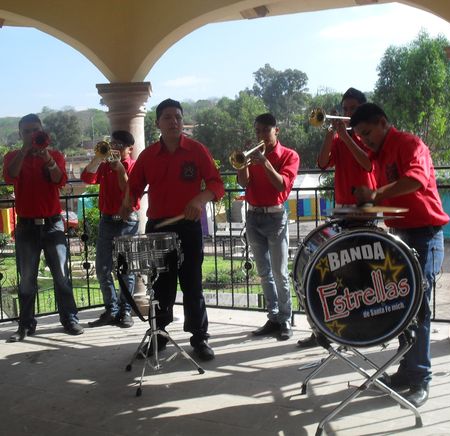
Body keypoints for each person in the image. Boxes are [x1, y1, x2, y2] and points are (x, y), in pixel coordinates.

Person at [350, 102, 449, 408]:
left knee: (417, 308)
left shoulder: (410, 144)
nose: (365, 140)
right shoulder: (377, 155)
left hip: (426, 235)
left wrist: (376, 195)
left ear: (382, 122)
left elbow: (416, 181)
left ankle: (420, 378)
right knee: (401, 308)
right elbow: (394, 198)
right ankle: (407, 372)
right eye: (361, 137)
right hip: (402, 236)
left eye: (367, 133)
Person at [121, 98, 224, 361]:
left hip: (188, 228)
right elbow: (133, 188)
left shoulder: (196, 150)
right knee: (161, 287)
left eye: (177, 116)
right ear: (157, 123)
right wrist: (126, 205)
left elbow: (216, 184)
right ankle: (159, 336)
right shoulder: (147, 156)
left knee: (192, 285)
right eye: (167, 117)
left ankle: (199, 338)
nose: (174, 121)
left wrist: (200, 199)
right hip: (158, 229)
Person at [298, 87, 376, 348]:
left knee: (362, 272)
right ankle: (329, 327)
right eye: (344, 110)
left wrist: (347, 136)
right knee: (338, 271)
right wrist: (332, 133)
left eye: (352, 109)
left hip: (364, 210)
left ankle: (361, 327)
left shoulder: (369, 136)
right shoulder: (340, 137)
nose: (347, 114)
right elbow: (322, 162)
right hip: (342, 208)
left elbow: (367, 164)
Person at [4, 113, 83, 342]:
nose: (31, 135)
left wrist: (46, 157)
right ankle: (26, 325)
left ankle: (69, 319)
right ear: (20, 134)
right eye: (26, 131)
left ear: (42, 132)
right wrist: (24, 151)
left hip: (52, 225)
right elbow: (11, 175)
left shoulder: (55, 155)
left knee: (61, 276)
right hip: (27, 226)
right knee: (27, 278)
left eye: (35, 130)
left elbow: (59, 179)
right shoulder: (12, 157)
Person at [237, 113, 300, 341]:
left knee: (280, 273)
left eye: (266, 130)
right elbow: (243, 183)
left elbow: (280, 185)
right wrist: (244, 162)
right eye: (258, 131)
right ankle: (273, 317)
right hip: (253, 216)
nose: (261, 135)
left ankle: (285, 318)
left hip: (275, 217)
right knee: (264, 273)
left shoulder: (289, 156)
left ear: (277, 130)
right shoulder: (253, 156)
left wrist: (264, 162)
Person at [81, 131, 139, 328]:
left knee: (125, 270)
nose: (114, 147)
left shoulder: (133, 166)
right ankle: (111, 310)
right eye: (113, 143)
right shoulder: (105, 165)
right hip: (107, 220)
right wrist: (98, 157)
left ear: (130, 149)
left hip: (127, 221)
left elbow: (129, 194)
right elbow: (86, 178)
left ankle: (125, 311)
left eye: (120, 145)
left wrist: (120, 169)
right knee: (102, 269)